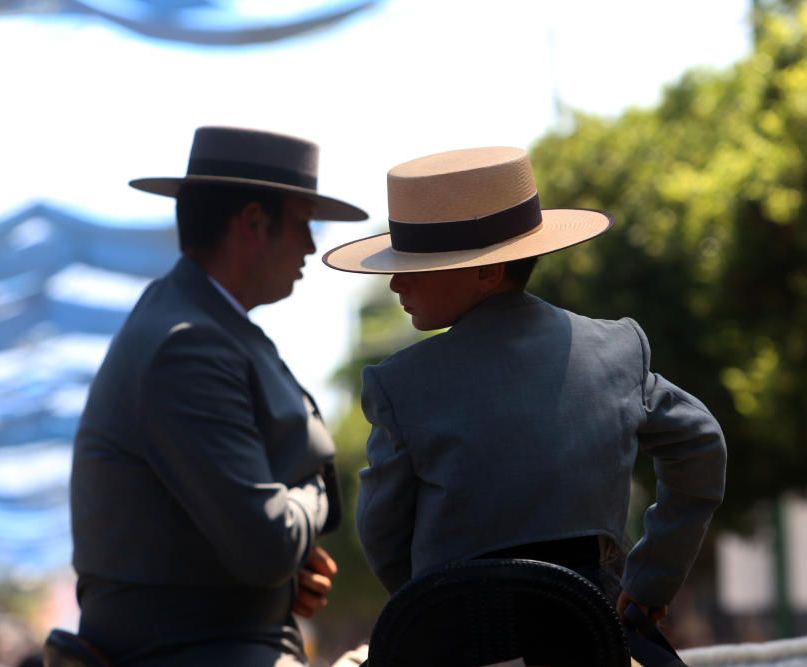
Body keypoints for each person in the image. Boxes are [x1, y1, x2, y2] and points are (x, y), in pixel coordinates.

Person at [322, 146, 726, 625]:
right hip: (592, 632)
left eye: (414, 264)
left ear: (488, 271)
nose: (395, 285)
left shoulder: (399, 383)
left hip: (460, 637)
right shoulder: (618, 348)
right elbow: (702, 445)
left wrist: (434, 606)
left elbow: (382, 534)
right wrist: (650, 580)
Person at [70, 126, 368, 666]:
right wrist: (313, 493)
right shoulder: (188, 345)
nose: (310, 244)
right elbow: (266, 543)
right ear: (253, 223)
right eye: (303, 224)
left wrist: (285, 578)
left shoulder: (198, 325)